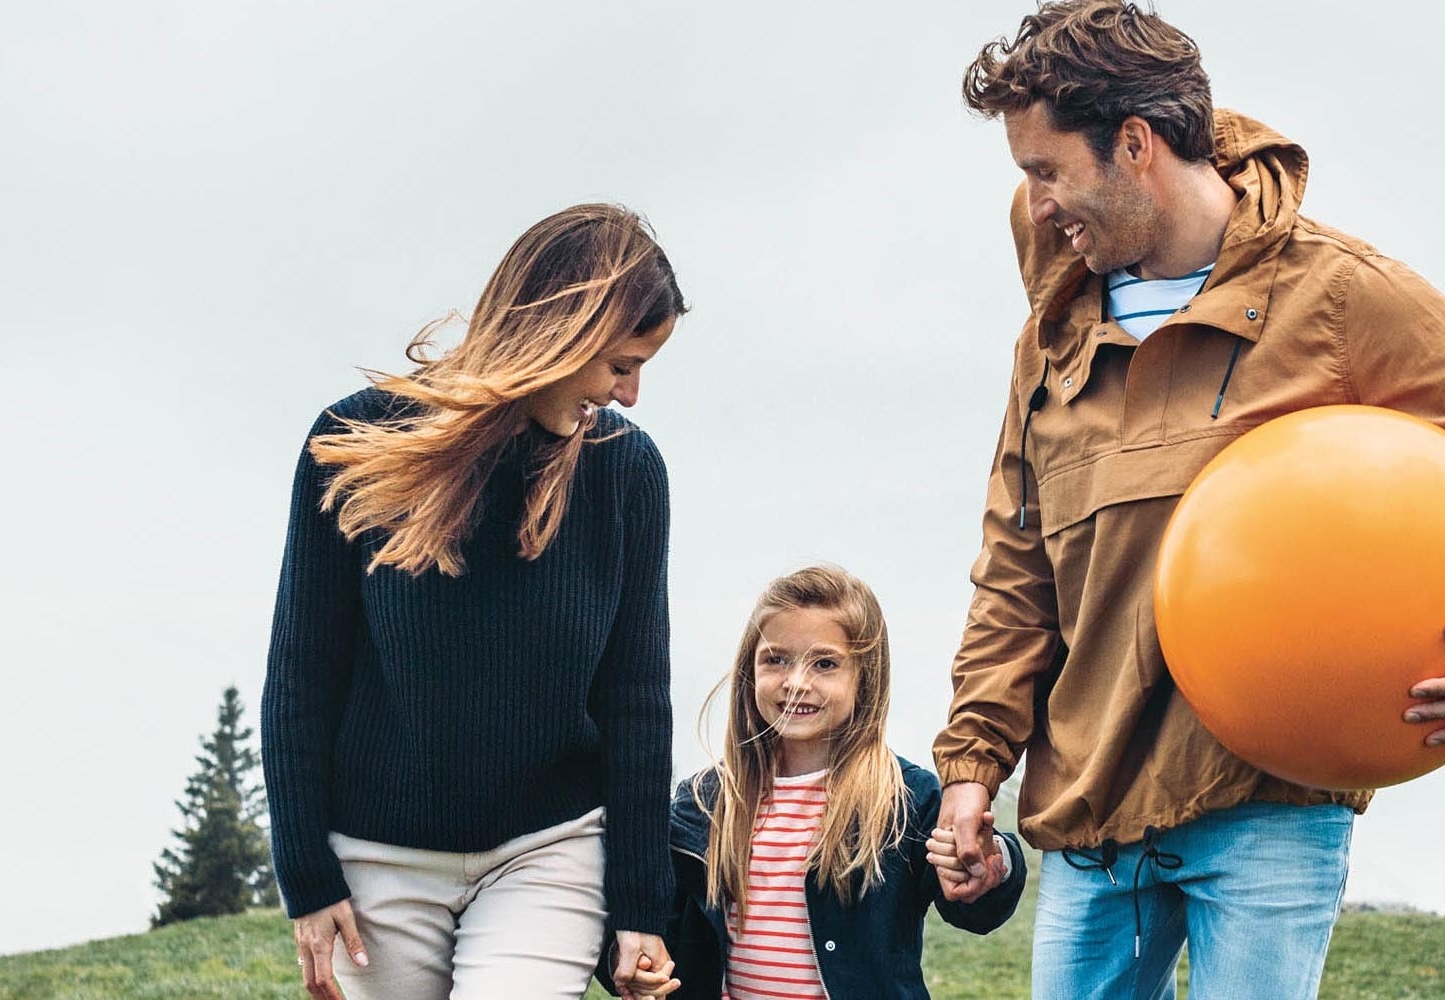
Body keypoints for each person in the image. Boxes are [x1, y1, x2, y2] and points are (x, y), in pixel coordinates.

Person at [926, 4, 1445, 997]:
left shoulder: (1340, 299)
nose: (1035, 205)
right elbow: (1015, 573)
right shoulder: (1052, 338)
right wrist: (970, 769)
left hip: (1267, 810)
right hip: (1089, 814)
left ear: (1134, 145)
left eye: (1046, 170)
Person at [261, 204, 690, 1000]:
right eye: (620, 364)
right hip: (377, 856)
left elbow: (636, 700)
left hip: (547, 849)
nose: (629, 395)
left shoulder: (627, 473)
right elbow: (300, 676)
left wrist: (640, 907)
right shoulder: (353, 442)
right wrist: (307, 877)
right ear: (559, 334)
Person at [629, 566, 1025, 1000]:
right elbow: (648, 921)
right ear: (749, 670)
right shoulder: (704, 802)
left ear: (864, 679)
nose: (796, 683)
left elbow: (974, 908)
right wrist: (634, 959)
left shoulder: (904, 799)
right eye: (776, 659)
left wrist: (990, 865)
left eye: (824, 663)